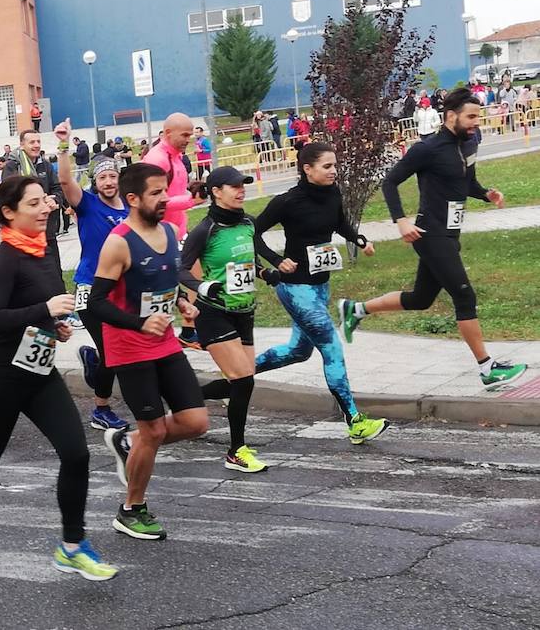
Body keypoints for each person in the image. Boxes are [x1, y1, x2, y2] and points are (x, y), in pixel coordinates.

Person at [0, 174, 117, 581]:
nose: (44, 208)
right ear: (10, 213)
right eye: (33, 204)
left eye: (44, 201)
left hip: (39, 373)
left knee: (77, 454)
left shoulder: (45, 248)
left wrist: (54, 324)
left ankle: (71, 545)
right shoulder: (6, 258)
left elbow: (38, 309)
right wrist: (44, 309)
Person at [341, 89, 528, 389]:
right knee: (464, 295)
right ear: (450, 116)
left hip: (450, 234)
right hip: (429, 234)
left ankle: (356, 309)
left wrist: (485, 193)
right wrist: (401, 221)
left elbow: (466, 181)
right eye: (470, 117)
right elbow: (390, 182)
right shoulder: (426, 149)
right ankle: (487, 368)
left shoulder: (468, 144)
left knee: (421, 298)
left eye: (477, 117)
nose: (475, 123)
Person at [89, 162, 209, 541]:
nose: (165, 199)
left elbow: (164, 280)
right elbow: (96, 303)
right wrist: (139, 323)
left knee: (195, 423)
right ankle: (131, 509)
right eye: (156, 193)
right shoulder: (119, 242)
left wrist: (182, 305)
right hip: (129, 347)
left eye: (166, 191)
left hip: (165, 341)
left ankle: (129, 444)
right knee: (154, 429)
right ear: (133, 198)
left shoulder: (171, 233)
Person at [252, 142, 389, 443]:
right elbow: (253, 231)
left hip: (319, 286)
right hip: (295, 288)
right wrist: (275, 261)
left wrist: (360, 239)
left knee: (298, 352)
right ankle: (354, 421)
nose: (334, 171)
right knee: (332, 348)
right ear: (307, 168)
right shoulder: (287, 202)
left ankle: (238, 376)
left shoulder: (332, 193)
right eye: (327, 166)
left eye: (335, 165)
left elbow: (339, 222)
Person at [178, 167, 283, 472]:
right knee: (243, 380)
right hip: (214, 313)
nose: (241, 190)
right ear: (216, 191)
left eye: (243, 185)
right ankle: (236, 450)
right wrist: (201, 286)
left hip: (244, 312)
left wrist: (266, 273)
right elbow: (180, 269)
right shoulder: (205, 230)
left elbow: (250, 260)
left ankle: (185, 397)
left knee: (239, 382)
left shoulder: (248, 223)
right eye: (234, 186)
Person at [57, 154, 131, 432]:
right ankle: (101, 409)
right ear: (94, 182)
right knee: (111, 350)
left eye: (113, 176)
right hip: (89, 287)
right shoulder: (87, 205)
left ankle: (94, 362)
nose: (109, 182)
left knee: (119, 348)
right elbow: (65, 180)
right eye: (103, 177)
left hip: (121, 290)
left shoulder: (130, 209)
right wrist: (64, 147)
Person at [142, 113, 205, 349]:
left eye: (191, 134)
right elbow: (152, 201)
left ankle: (189, 331)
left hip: (179, 230)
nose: (189, 139)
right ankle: (158, 335)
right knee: (167, 286)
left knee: (194, 280)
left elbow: (174, 191)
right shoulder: (157, 159)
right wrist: (190, 200)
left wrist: (190, 191)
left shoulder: (176, 157)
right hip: (160, 233)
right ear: (168, 133)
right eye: (185, 135)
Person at [3, 128, 68, 270]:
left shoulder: (46, 165)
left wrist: (55, 200)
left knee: (55, 273)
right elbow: (8, 195)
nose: (36, 145)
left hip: (47, 230)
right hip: (23, 234)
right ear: (22, 145)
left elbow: (58, 188)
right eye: (32, 142)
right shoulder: (12, 166)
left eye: (38, 141)